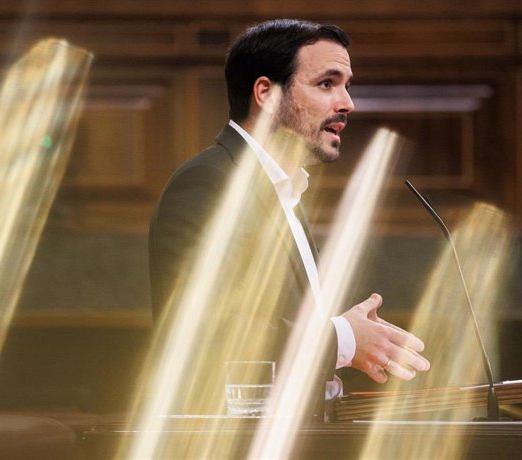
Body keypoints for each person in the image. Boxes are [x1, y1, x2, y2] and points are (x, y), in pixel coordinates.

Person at [149, 19, 429, 415]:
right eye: (327, 84)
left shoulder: (285, 191)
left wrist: (343, 348)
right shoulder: (209, 184)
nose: (347, 103)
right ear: (265, 93)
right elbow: (207, 329)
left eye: (347, 85)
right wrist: (341, 339)